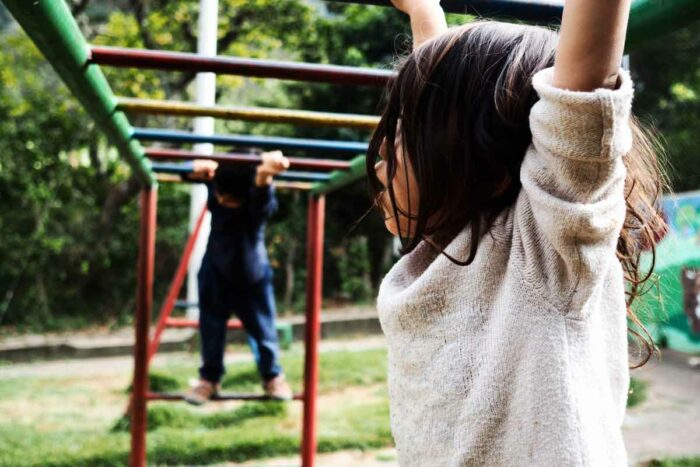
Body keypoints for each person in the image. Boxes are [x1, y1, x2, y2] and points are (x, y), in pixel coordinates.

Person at [367, 0, 666, 465]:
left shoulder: (543, 246)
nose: (383, 149)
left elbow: (582, 104)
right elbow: (442, 110)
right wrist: (424, 11)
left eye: (407, 132)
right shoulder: (442, 249)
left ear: (473, 156)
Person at [184, 150, 293, 404]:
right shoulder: (218, 184)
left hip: (252, 276)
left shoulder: (257, 204)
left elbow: (264, 197)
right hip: (215, 271)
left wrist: (265, 174)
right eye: (220, 197)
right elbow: (185, 171)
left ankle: (272, 376)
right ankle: (209, 379)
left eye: (230, 201)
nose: (222, 202)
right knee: (210, 328)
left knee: (263, 330)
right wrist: (195, 165)